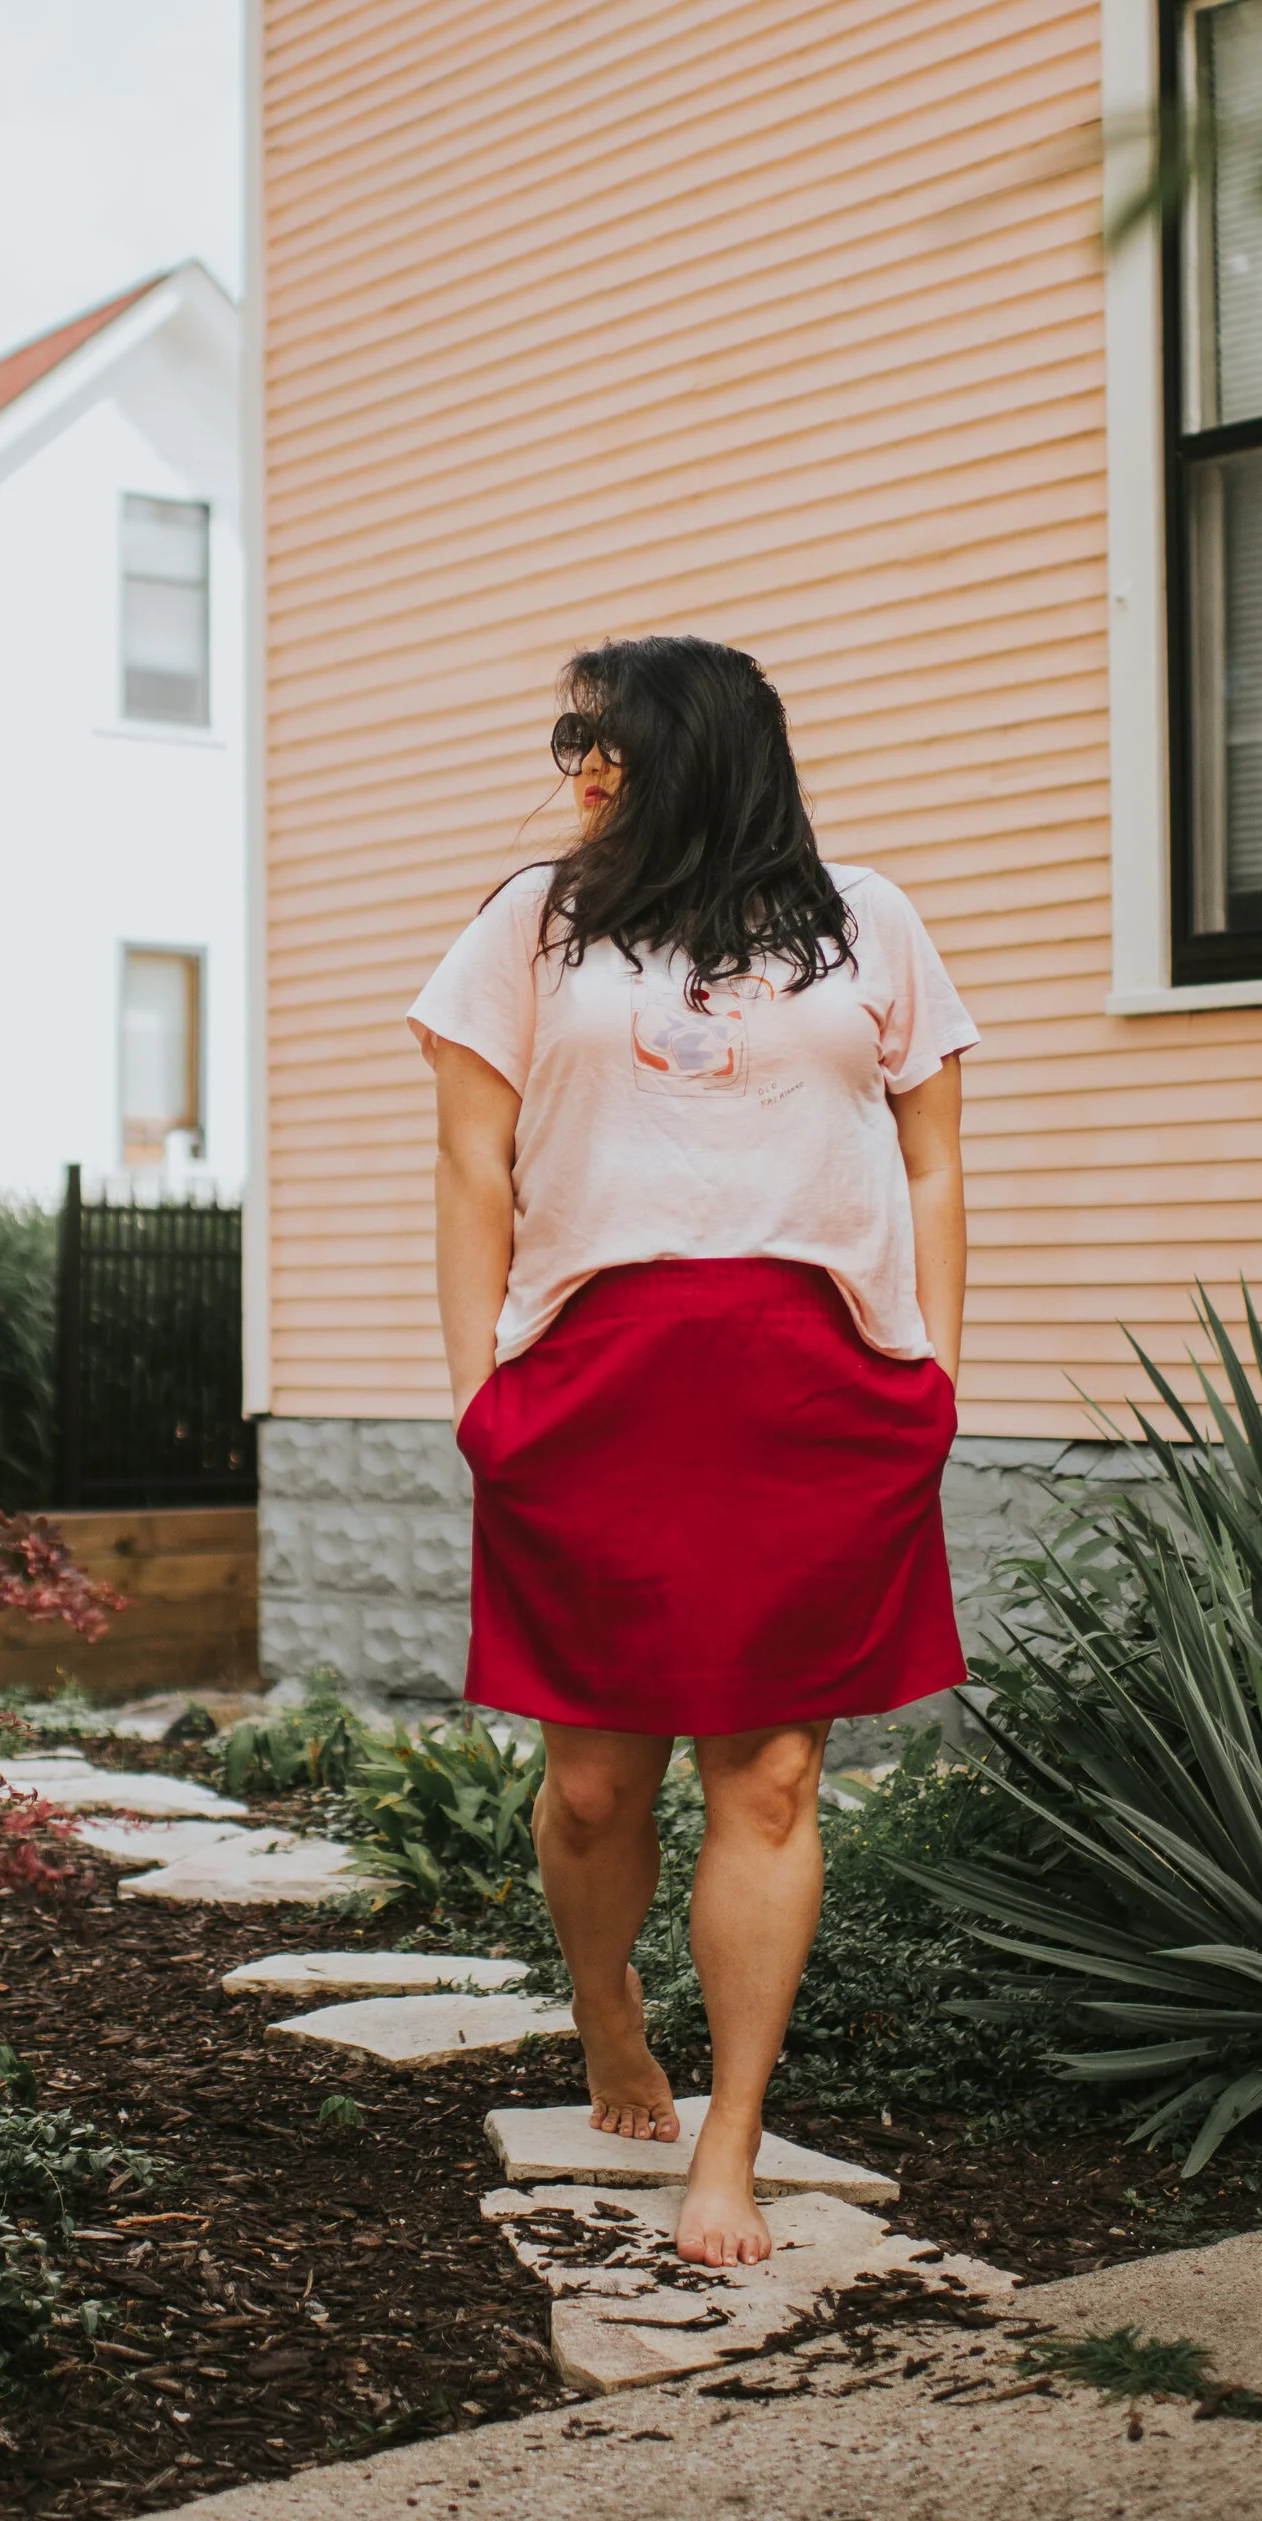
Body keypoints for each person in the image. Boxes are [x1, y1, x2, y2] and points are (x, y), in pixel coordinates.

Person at [407, 635, 974, 2269]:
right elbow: (468, 1159)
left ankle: (730, 2140)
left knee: (773, 1770)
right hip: (593, 1377)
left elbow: (933, 1162)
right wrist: (476, 1392)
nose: (579, 760)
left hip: (812, 1384)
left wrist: (933, 1366)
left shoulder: (871, 923)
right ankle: (607, 2012)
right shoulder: (534, 921)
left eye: (608, 733)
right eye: (569, 732)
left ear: (701, 746)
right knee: (592, 1783)